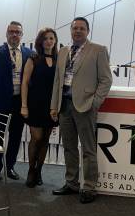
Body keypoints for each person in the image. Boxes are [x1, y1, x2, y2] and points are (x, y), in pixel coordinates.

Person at [50, 17, 112, 204]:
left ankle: (90, 187)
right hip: (65, 106)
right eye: (75, 28)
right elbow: (58, 81)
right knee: (69, 147)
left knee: (88, 149)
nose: (77, 31)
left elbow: (106, 79)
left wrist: (95, 102)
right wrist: (54, 106)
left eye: (81, 28)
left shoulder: (98, 50)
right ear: (70, 30)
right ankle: (72, 183)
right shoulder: (63, 51)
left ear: (88, 31)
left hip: (85, 106)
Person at [0, 21, 31, 183]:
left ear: (22, 35)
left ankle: (10, 167)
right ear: (6, 33)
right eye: (11, 31)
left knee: (16, 136)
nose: (14, 35)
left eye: (17, 32)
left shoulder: (29, 54)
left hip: (20, 102)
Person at [20, 27, 58, 188]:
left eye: (51, 38)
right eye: (45, 38)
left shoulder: (59, 60)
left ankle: (39, 171)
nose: (48, 41)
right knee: (36, 138)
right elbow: (25, 83)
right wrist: (24, 105)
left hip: (52, 106)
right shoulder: (33, 59)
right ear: (40, 42)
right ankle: (31, 171)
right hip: (34, 104)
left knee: (45, 140)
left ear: (55, 41)